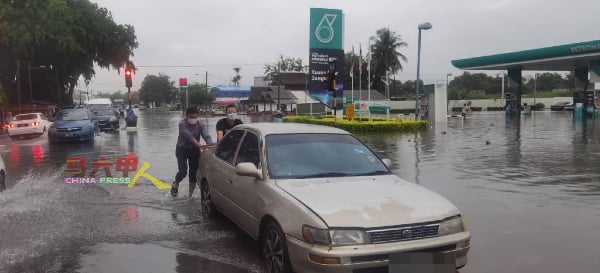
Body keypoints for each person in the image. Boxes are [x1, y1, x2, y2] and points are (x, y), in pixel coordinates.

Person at [171, 107, 214, 198]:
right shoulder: (182, 124)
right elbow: (189, 137)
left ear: (197, 116)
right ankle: (176, 182)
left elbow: (206, 136)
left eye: (195, 117)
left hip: (194, 150)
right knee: (183, 171)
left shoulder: (201, 124)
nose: (193, 119)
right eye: (191, 117)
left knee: (194, 173)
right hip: (182, 150)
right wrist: (200, 145)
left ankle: (189, 195)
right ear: (186, 116)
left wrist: (210, 145)